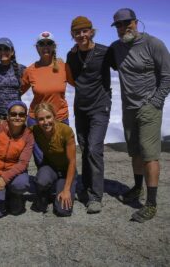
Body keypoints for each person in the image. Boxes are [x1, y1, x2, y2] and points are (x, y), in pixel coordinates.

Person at [109, 8, 170, 222]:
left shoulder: (154, 44)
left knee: (149, 154)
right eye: (119, 25)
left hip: (149, 107)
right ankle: (137, 188)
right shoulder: (116, 48)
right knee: (134, 151)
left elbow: (167, 76)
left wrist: (156, 102)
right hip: (128, 108)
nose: (124, 27)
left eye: (127, 23)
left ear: (136, 22)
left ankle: (151, 204)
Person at [66, 16, 111, 214]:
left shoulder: (104, 52)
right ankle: (85, 187)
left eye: (85, 31)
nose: (81, 35)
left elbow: (124, 68)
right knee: (84, 149)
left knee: (94, 149)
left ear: (91, 31)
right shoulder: (72, 55)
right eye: (77, 32)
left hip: (100, 107)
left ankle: (95, 196)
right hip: (80, 108)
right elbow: (73, 78)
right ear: (72, 35)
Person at [21, 31, 75, 166]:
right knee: (41, 159)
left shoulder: (63, 67)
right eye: (41, 44)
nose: (46, 46)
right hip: (36, 120)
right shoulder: (30, 70)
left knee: (61, 157)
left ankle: (62, 181)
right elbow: (17, 91)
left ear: (54, 47)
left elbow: (80, 83)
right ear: (37, 47)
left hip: (60, 118)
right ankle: (45, 182)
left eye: (49, 43)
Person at [0, 101, 34, 219]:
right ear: (8, 116)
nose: (17, 117)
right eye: (14, 114)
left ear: (25, 117)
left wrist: (4, 178)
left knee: (22, 184)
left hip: (13, 174)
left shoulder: (28, 135)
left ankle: (14, 194)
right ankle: (2, 193)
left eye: (21, 115)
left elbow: (23, 163)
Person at [30, 103, 77, 217]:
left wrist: (66, 190)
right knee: (41, 180)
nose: (45, 122)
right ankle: (44, 195)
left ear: (54, 116)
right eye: (41, 119)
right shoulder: (35, 130)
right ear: (36, 121)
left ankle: (63, 187)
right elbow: (18, 130)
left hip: (66, 172)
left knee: (63, 210)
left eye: (48, 117)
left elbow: (72, 162)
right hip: (50, 167)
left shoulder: (66, 131)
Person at [0, 38, 26, 123]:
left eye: (6, 49)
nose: (3, 52)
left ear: (12, 51)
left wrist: (57, 61)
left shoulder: (22, 69)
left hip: (17, 117)